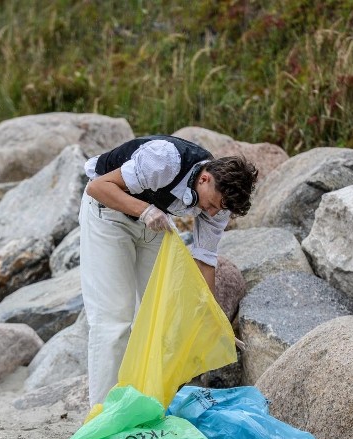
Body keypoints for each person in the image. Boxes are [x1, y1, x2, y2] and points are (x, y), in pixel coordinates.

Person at [79, 134, 258, 406]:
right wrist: (146, 211)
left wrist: (214, 320)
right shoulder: (164, 159)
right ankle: (102, 416)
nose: (210, 214)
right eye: (211, 205)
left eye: (217, 210)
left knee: (160, 319)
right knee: (114, 320)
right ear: (206, 178)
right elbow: (97, 187)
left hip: (154, 223)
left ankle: (142, 406)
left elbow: (205, 260)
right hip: (109, 213)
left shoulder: (220, 204)